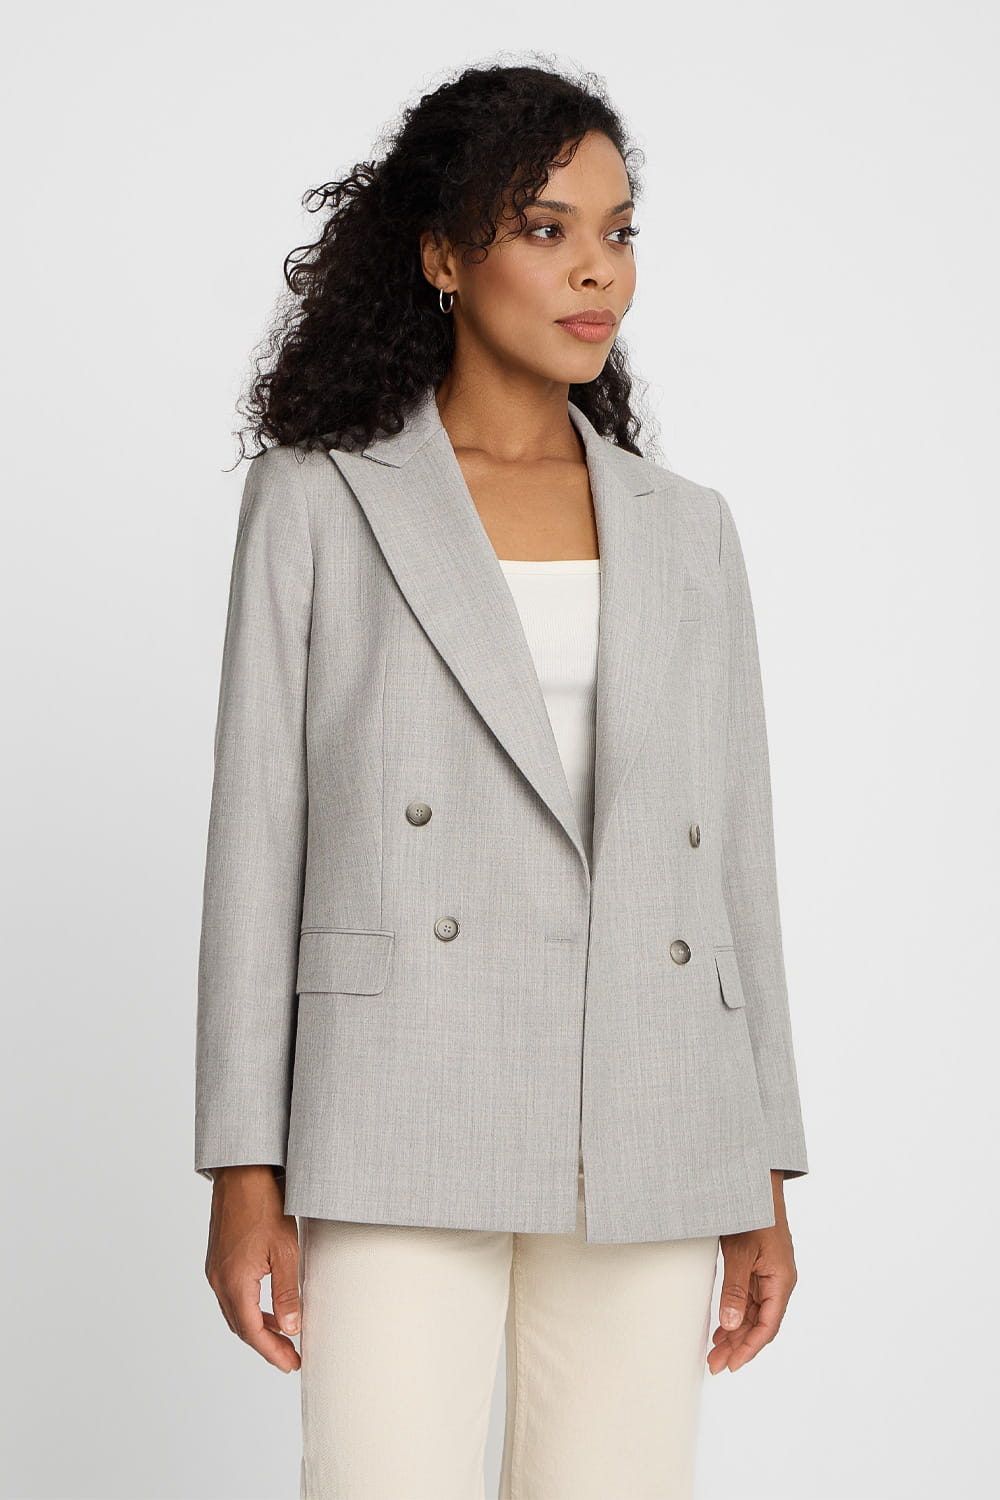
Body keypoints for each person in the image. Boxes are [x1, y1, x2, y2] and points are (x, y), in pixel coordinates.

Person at [194, 59, 809, 1500]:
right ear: (442, 255)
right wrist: (242, 1167)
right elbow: (256, 843)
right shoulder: (321, 497)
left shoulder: (688, 528)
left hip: (653, 1106)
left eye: (619, 230)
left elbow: (734, 861)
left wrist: (762, 1163)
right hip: (399, 1096)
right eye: (546, 228)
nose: (599, 269)